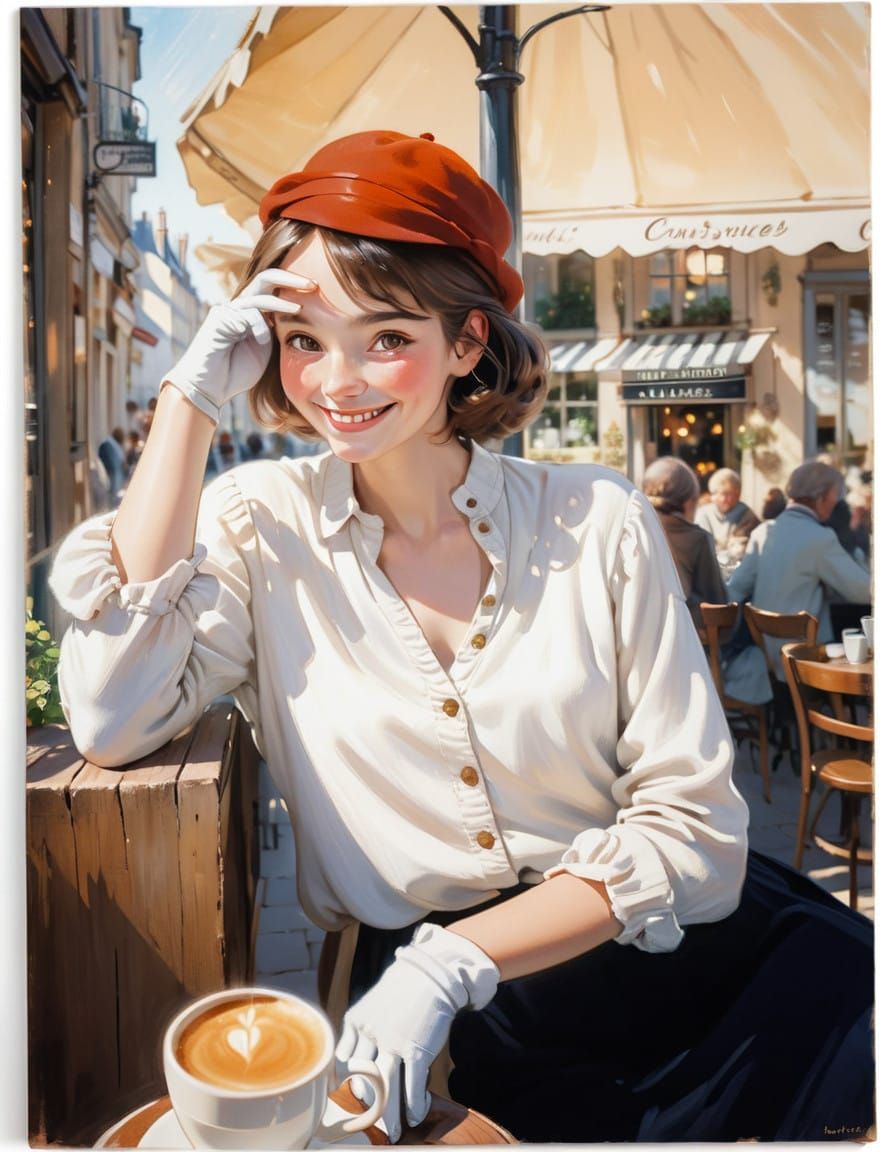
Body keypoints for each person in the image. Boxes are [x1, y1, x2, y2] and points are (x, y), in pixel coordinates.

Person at [48, 130, 873, 1144]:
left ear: (468, 342)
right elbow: (113, 711)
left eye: (386, 337)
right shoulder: (258, 525)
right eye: (304, 341)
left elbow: (700, 838)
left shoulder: (598, 517)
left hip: (699, 960)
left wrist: (453, 961)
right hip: (447, 1033)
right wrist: (188, 397)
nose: (336, 380)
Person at [723, 460, 872, 704]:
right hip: (806, 664)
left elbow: (736, 588)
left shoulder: (764, 531)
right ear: (820, 498)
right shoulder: (819, 538)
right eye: (835, 496)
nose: (836, 502)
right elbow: (864, 592)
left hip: (767, 661)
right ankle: (853, 732)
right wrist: (858, 555)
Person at [641, 457, 726, 628]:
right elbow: (718, 606)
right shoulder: (697, 538)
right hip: (682, 638)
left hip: (636, 635)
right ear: (689, 501)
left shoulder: (631, 529)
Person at [695, 467, 760, 565]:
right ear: (713, 495)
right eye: (720, 493)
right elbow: (700, 546)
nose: (724, 499)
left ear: (738, 494)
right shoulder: (703, 514)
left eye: (729, 494)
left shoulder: (747, 515)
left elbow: (738, 551)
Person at [97, 427, 127, 510]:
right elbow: (112, 466)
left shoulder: (115, 446)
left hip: (116, 481)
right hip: (111, 481)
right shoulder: (108, 445)